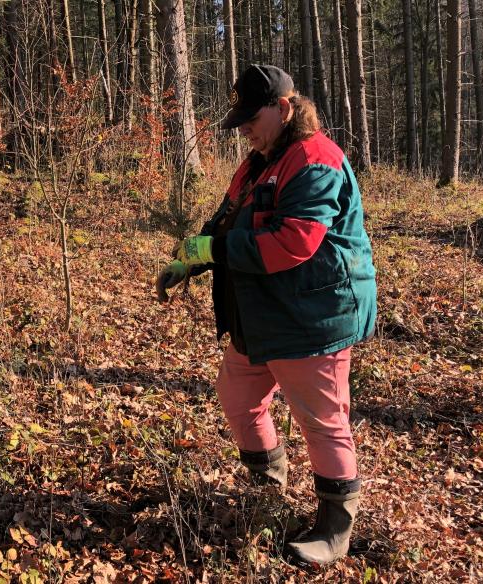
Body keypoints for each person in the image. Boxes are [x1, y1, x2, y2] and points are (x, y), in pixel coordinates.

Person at [157, 64, 377, 565]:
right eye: (239, 121)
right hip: (261, 316)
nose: (243, 131)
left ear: (283, 109)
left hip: (312, 317)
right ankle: (266, 486)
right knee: (238, 397)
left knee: (322, 422)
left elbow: (292, 243)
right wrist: (189, 259)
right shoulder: (260, 160)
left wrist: (213, 250)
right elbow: (227, 217)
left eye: (250, 119)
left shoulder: (316, 158)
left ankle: (335, 527)